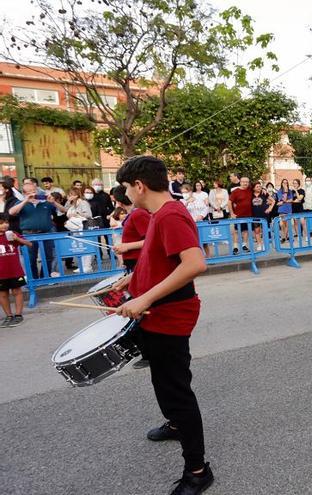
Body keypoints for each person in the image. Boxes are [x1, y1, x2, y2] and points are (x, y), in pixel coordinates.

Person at [111, 155, 213, 494]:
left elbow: (195, 263)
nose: (126, 194)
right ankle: (174, 424)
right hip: (158, 313)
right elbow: (161, 261)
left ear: (139, 185)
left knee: (176, 390)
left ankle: (198, 471)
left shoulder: (169, 214)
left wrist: (143, 299)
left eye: (127, 187)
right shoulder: (158, 214)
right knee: (163, 380)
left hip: (169, 315)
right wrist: (132, 281)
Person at [111, 184, 150, 369]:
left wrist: (127, 247)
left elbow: (150, 240)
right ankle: (144, 349)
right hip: (132, 264)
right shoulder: (133, 214)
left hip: (138, 263)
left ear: (118, 199)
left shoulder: (138, 214)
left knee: (139, 308)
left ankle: (148, 352)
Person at [8, 180, 62, 277]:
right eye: (29, 192)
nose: (32, 193)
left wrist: (53, 202)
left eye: (34, 191)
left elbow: (63, 210)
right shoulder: (20, 202)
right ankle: (34, 279)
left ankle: (45, 277)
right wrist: (26, 200)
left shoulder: (45, 202)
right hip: (29, 234)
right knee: (30, 258)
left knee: (48, 257)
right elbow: (11, 212)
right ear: (24, 193)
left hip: (46, 233)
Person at [0, 213, 31, 328]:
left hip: (15, 270)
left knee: (17, 292)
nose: (5, 225)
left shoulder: (13, 234)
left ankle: (18, 315)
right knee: (2, 294)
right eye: (1, 223)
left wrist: (17, 238)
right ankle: (8, 316)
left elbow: (29, 244)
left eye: (6, 222)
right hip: (1, 273)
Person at [228, 176, 253, 255]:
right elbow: (229, 202)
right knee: (236, 231)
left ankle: (244, 246)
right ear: (240, 182)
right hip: (238, 215)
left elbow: (258, 189)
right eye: (243, 182)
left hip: (248, 215)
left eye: (247, 182)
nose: (245, 183)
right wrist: (232, 213)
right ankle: (235, 247)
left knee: (245, 231)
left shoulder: (250, 190)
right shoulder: (236, 191)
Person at [249, 182, 274, 250]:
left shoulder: (264, 193)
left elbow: (273, 201)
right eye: (257, 186)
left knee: (264, 230)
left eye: (260, 186)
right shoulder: (250, 194)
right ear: (253, 188)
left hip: (264, 214)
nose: (259, 188)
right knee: (257, 230)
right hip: (255, 215)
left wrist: (270, 208)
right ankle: (259, 244)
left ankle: (265, 244)